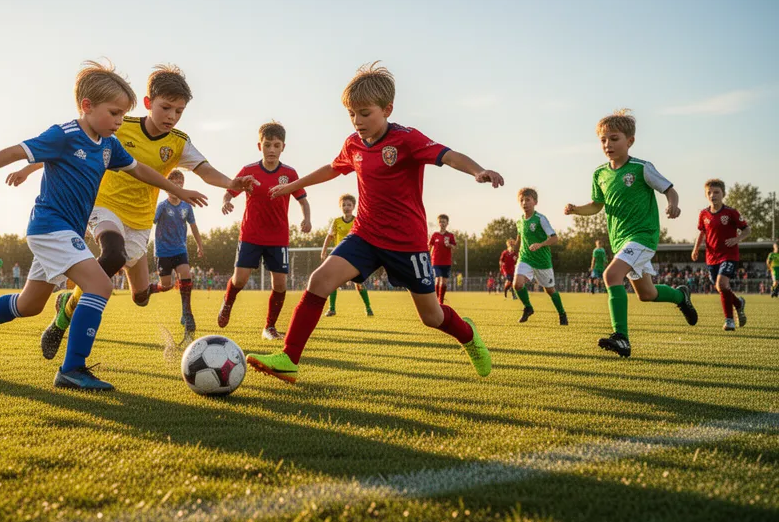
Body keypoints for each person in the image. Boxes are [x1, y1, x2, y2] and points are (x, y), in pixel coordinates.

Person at [0, 60, 208, 391]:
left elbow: (139, 170)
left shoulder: (108, 143)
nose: (120, 121)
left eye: (124, 114)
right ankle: (72, 369)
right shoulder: (64, 134)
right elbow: (16, 151)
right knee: (101, 285)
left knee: (29, 305)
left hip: (65, 233)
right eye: (114, 113)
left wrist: (179, 190)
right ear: (87, 106)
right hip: (51, 228)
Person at [245, 61, 501, 383]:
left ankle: (468, 336)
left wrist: (478, 170)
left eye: (365, 113)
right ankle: (289, 359)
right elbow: (333, 168)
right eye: (352, 114)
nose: (357, 121)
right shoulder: (353, 144)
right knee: (319, 281)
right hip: (365, 235)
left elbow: (448, 155)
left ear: (387, 109)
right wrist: (293, 186)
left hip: (406, 244)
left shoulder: (407, 139)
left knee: (432, 317)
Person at [7, 64, 257, 359]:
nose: (171, 116)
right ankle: (65, 322)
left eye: (179, 111)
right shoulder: (118, 125)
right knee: (111, 254)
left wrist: (231, 182)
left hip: (140, 221)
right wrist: (29, 168)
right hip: (104, 206)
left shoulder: (178, 142)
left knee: (140, 296)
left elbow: (205, 171)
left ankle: (68, 302)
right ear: (149, 103)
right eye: (166, 108)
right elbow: (69, 146)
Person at [565, 109, 698, 358]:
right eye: (603, 140)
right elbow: (596, 205)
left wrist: (673, 204)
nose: (608, 144)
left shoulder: (641, 168)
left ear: (630, 141)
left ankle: (621, 338)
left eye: (614, 138)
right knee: (647, 294)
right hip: (621, 241)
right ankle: (681, 296)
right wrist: (576, 210)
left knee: (611, 275)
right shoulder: (599, 173)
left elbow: (669, 188)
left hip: (643, 235)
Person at [218, 121, 312, 340]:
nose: (271, 149)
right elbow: (229, 191)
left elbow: (303, 200)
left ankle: (269, 327)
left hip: (278, 238)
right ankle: (227, 303)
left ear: (283, 147)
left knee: (280, 284)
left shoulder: (289, 173)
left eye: (276, 145)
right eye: (267, 144)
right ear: (259, 146)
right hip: (251, 235)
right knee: (239, 280)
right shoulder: (249, 171)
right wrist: (226, 201)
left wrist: (306, 219)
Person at [149, 169, 206, 340]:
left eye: (180, 184)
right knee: (166, 285)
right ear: (167, 187)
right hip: (162, 251)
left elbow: (194, 226)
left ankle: (186, 314)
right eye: (173, 183)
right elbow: (150, 222)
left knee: (186, 275)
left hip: (180, 249)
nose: (177, 186)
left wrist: (200, 244)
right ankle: (150, 288)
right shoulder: (162, 207)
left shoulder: (186, 206)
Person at [691, 179, 751, 330]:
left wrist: (737, 239)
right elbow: (702, 232)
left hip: (729, 255)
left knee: (722, 284)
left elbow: (747, 230)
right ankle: (738, 303)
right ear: (706, 195)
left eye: (716, 192)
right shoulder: (703, 214)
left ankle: (729, 320)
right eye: (709, 193)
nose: (713, 195)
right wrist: (696, 248)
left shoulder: (731, 212)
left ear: (723, 193)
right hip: (711, 258)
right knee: (721, 287)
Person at [513, 188, 568, 326]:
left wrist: (541, 244)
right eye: (522, 200)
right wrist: (515, 248)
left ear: (535, 202)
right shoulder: (519, 221)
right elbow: (520, 237)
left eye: (528, 200)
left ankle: (562, 313)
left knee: (549, 290)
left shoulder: (540, 219)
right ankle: (528, 307)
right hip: (525, 258)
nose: (524, 203)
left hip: (542, 261)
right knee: (517, 284)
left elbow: (555, 238)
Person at [321, 194, 373, 317]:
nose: (346, 207)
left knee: (359, 283)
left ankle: (368, 308)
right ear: (340, 207)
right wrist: (324, 251)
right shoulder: (336, 221)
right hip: (339, 256)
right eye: (343, 205)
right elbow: (329, 237)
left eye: (349, 205)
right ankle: (332, 309)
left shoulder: (357, 221)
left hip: (355, 255)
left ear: (353, 207)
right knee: (333, 281)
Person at [428, 214, 456, 304]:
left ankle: (441, 301)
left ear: (447, 223)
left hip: (446, 262)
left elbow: (454, 247)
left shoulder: (450, 235)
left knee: (444, 282)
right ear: (438, 223)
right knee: (437, 278)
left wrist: (449, 245)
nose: (442, 223)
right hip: (436, 261)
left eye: (444, 222)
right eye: (440, 222)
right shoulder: (435, 235)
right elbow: (429, 246)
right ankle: (436, 300)